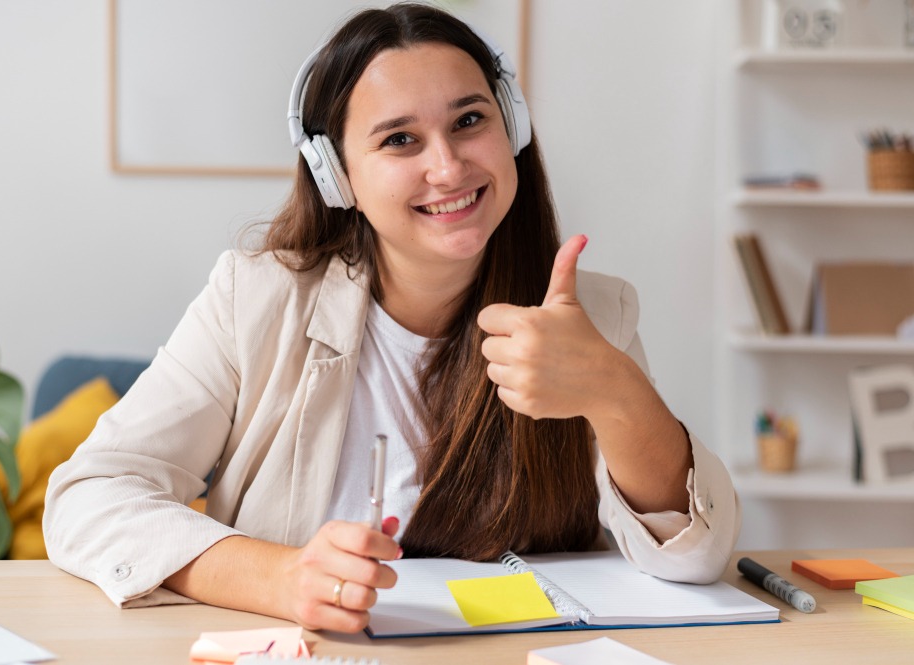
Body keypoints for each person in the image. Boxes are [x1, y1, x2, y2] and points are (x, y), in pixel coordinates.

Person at [44, 2, 740, 634]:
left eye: (470, 120)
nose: (447, 166)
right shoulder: (254, 300)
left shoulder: (592, 314)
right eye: (400, 140)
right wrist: (278, 578)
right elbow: (89, 495)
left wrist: (617, 393)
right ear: (337, 176)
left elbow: (697, 555)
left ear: (513, 129)